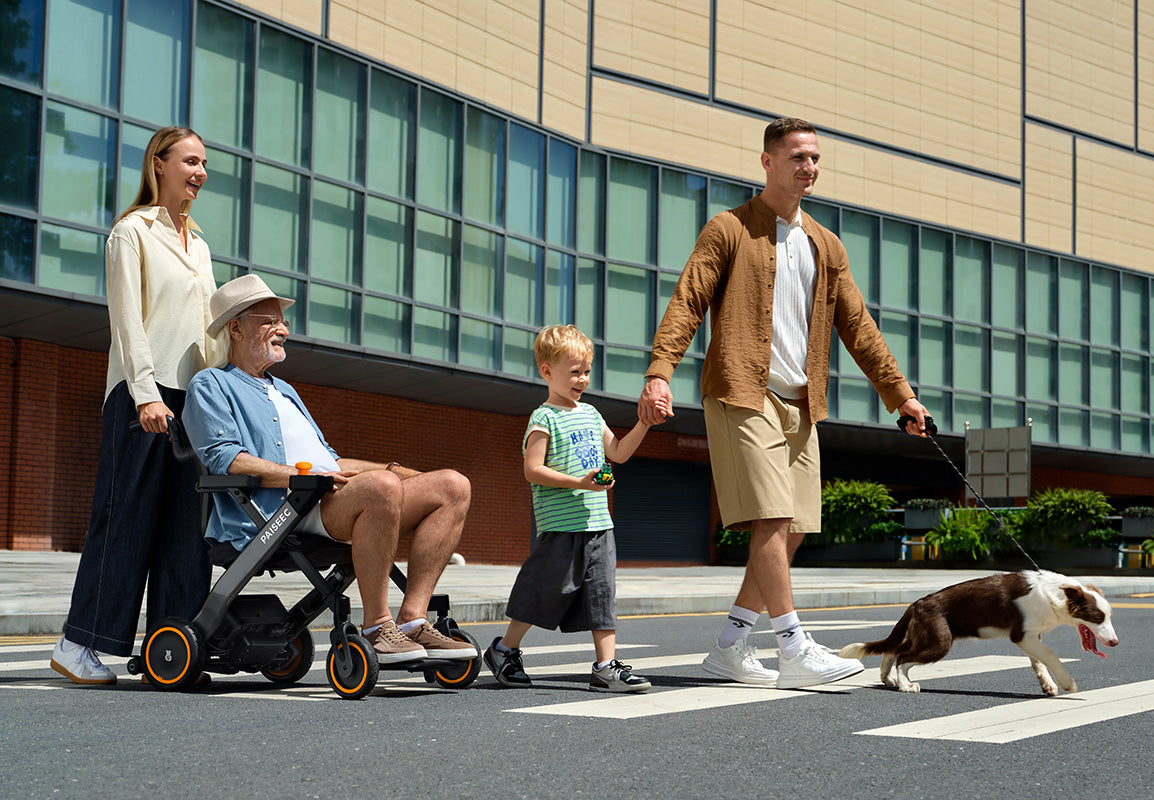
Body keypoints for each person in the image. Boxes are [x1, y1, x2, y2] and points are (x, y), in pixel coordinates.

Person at [638, 117, 931, 690]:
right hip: (743, 393)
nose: (809, 167)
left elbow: (859, 328)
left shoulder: (827, 245)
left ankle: (729, 646)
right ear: (767, 161)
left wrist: (903, 397)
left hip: (802, 405)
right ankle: (794, 646)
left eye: (815, 158)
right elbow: (688, 300)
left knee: (792, 527)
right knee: (771, 517)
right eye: (798, 156)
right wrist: (659, 373)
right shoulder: (729, 229)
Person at [183, 274, 475, 664]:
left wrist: (393, 469)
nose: (283, 329)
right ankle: (376, 626)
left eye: (282, 321)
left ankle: (412, 620)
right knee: (382, 487)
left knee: (453, 485)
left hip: (329, 499)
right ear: (235, 328)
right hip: (279, 514)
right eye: (269, 321)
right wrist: (305, 479)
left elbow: (330, 459)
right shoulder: (211, 384)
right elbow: (226, 459)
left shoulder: (285, 390)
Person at [51, 127, 219, 685]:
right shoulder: (132, 232)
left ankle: (173, 651)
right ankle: (80, 643)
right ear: (160, 163)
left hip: (192, 399)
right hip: (141, 395)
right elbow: (127, 321)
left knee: (184, 531)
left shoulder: (199, 243)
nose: (199, 172)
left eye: (203, 164)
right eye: (190, 161)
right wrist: (145, 393)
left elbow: (207, 330)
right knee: (124, 518)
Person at [483, 325, 659, 692]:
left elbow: (619, 453)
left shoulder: (592, 415)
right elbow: (532, 470)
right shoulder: (543, 418)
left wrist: (644, 423)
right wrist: (579, 482)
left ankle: (605, 667)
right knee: (544, 591)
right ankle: (504, 649)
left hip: (599, 524)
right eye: (574, 371)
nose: (583, 379)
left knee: (601, 595)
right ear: (547, 371)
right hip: (561, 527)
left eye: (586, 371)